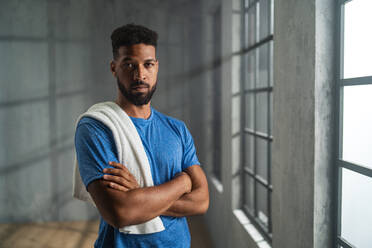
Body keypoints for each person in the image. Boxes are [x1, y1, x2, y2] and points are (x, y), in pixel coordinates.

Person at [74, 23, 209, 248]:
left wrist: (139, 196)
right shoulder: (96, 128)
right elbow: (120, 212)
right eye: (129, 64)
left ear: (156, 67)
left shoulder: (177, 130)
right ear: (113, 68)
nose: (140, 74)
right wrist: (183, 182)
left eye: (148, 64)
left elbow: (202, 201)